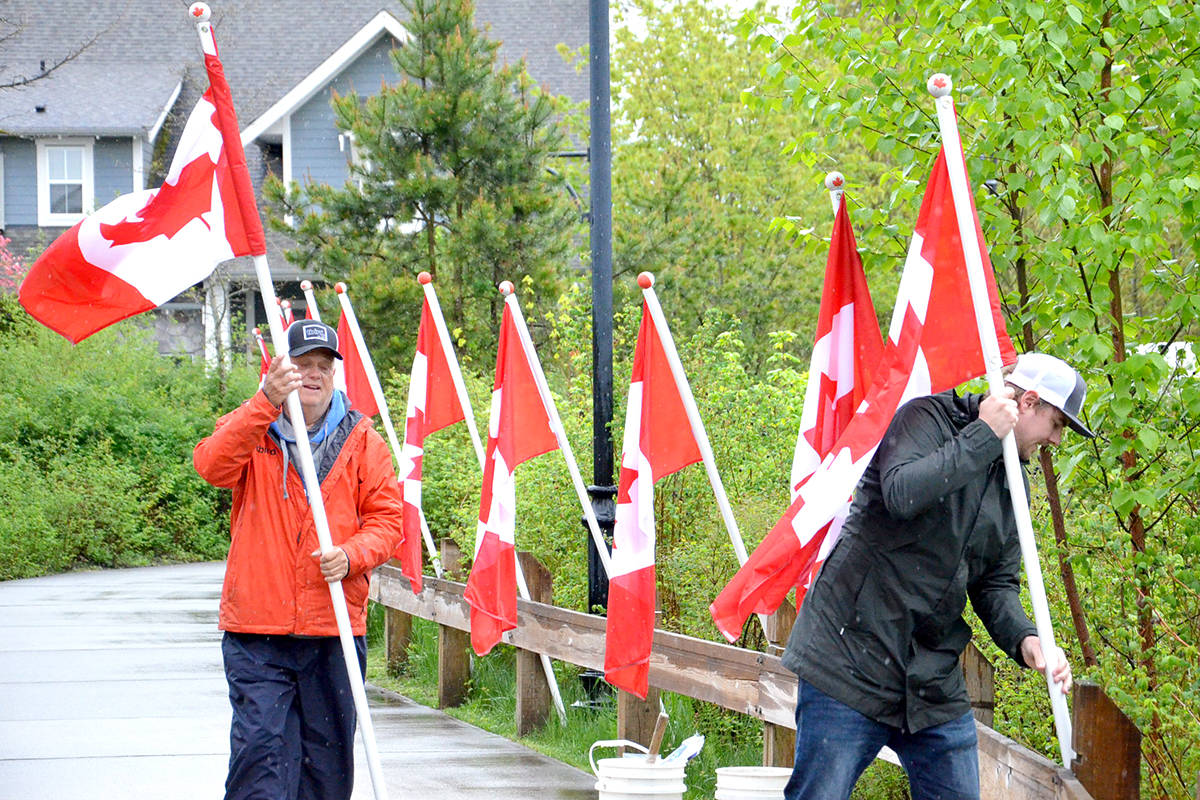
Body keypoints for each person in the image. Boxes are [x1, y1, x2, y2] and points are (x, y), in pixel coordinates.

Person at [781, 353, 1093, 800]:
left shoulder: (1014, 482)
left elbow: (994, 583)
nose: (1057, 440)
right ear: (1027, 402)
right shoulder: (924, 418)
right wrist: (984, 435)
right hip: (849, 659)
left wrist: (1027, 639)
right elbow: (903, 494)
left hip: (932, 679)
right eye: (1058, 424)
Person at [194, 319, 405, 800]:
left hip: (332, 630)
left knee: (325, 769)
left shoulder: (362, 439)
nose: (313, 375)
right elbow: (211, 465)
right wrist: (264, 402)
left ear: (334, 374)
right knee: (259, 759)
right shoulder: (252, 426)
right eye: (303, 365)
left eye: (323, 367)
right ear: (281, 369)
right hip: (256, 632)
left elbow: (388, 520)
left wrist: (352, 555)